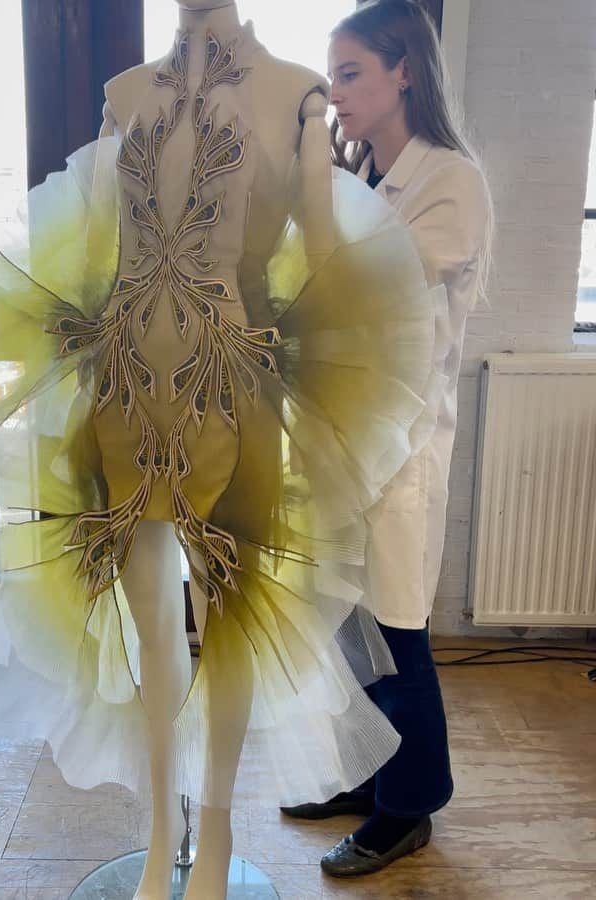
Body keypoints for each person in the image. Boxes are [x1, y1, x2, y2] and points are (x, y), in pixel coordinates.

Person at [0, 1, 441, 897]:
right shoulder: (124, 94)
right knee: (151, 627)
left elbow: (327, 267)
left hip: (233, 395)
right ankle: (162, 832)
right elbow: (86, 252)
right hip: (120, 390)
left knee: (229, 623)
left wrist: (320, 394)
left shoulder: (296, 96)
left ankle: (218, 833)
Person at [280, 0, 492, 879]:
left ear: (405, 69)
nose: (337, 93)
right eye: (332, 76)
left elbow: (374, 292)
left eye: (351, 72)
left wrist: (317, 195)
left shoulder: (451, 179)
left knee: (398, 633)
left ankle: (409, 805)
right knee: (350, 628)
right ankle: (370, 776)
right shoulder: (368, 178)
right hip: (345, 437)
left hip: (400, 449)